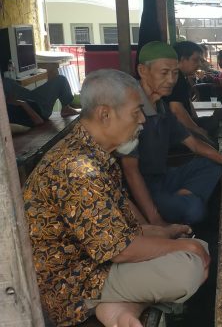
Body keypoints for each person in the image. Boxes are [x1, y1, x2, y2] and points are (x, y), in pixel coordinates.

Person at [23, 69, 209, 327]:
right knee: (187, 267)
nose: (142, 120)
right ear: (105, 114)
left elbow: (117, 228)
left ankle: (120, 306)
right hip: (73, 284)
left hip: (96, 263)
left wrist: (163, 233)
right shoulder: (77, 169)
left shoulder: (93, 152)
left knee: (197, 248)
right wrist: (182, 247)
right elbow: (121, 250)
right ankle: (112, 304)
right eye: (136, 112)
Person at [122, 41, 222, 226]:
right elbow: (131, 172)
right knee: (194, 209)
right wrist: (155, 220)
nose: (171, 80)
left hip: (164, 177)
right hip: (142, 188)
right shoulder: (130, 110)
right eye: (164, 73)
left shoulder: (161, 105)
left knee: (214, 163)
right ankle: (177, 203)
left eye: (175, 73)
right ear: (143, 71)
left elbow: (193, 143)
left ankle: (182, 196)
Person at [164, 40, 220, 140]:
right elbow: (176, 110)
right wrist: (197, 129)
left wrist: (196, 118)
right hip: (177, 130)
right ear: (182, 59)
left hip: (184, 121)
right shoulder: (177, 78)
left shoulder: (182, 76)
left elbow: (188, 105)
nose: (199, 64)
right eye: (195, 60)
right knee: (215, 117)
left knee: (216, 110)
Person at [2, 74, 79, 122]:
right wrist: (23, 103)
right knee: (61, 79)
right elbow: (38, 121)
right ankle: (66, 108)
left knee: (61, 79)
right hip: (39, 107)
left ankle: (66, 107)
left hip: (31, 96)